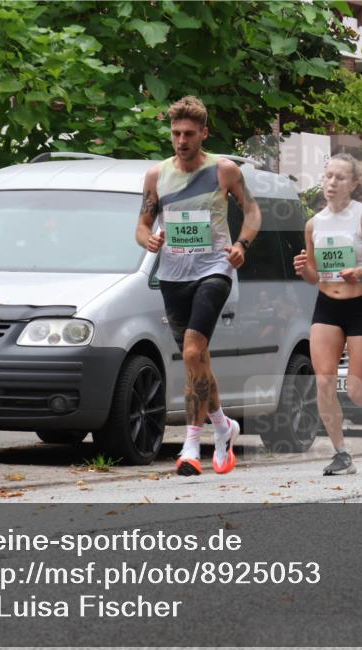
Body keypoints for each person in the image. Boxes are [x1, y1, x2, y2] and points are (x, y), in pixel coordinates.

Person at [135, 96, 261, 476]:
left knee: (192, 352)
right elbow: (142, 226)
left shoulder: (224, 170)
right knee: (197, 359)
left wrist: (241, 245)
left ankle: (191, 445)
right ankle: (223, 427)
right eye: (175, 133)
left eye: (189, 133)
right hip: (174, 276)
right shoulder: (156, 176)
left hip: (214, 269)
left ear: (203, 133)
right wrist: (149, 241)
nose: (181, 140)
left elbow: (253, 211)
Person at [292, 154, 362, 475]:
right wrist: (304, 270)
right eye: (327, 176)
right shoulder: (314, 224)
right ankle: (341, 453)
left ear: (353, 184)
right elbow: (315, 276)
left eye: (340, 178)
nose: (332, 183)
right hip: (327, 306)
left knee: (356, 389)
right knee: (324, 381)